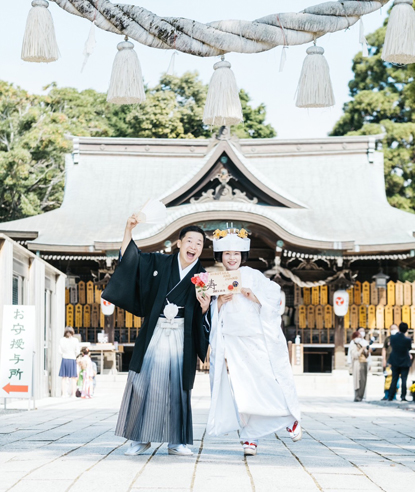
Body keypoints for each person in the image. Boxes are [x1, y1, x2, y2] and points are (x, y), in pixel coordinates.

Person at [102, 215, 210, 456]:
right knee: (142, 383)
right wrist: (128, 228)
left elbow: (205, 314)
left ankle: (177, 441)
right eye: (189, 241)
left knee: (178, 388)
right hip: (156, 333)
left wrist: (204, 308)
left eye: (199, 243)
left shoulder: (203, 278)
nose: (193, 246)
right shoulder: (159, 263)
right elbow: (132, 260)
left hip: (183, 337)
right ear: (179, 243)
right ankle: (140, 438)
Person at [207, 228, 302, 457]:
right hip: (233, 340)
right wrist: (219, 302)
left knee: (266, 381)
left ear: (242, 255)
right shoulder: (215, 279)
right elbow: (209, 312)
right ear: (220, 256)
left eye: (236, 253)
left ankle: (288, 417)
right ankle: (250, 436)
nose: (232, 258)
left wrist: (255, 297)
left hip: (255, 337)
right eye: (227, 253)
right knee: (242, 389)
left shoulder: (253, 275)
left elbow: (275, 295)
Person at [388, 322, 413, 402]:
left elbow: (391, 346)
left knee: (394, 378)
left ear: (398, 328)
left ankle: (391, 396)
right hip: (404, 360)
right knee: (404, 379)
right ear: (406, 330)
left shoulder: (393, 337)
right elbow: (409, 348)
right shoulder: (408, 340)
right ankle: (403, 396)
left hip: (395, 360)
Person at [58, 327, 80, 397]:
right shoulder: (75, 340)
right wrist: (75, 355)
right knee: (73, 378)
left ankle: (64, 394)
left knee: (64, 378)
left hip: (64, 358)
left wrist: (64, 354)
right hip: (72, 358)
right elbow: (77, 351)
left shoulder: (62, 340)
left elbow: (60, 350)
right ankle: (73, 394)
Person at [349, 331, 370, 402]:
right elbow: (355, 355)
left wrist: (368, 351)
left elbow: (366, 355)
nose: (360, 338)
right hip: (358, 363)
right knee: (358, 380)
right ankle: (357, 396)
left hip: (364, 362)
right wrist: (362, 349)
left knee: (364, 380)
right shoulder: (353, 345)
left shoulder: (360, 344)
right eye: (358, 337)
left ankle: (361, 395)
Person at [382, 324, 399, 401]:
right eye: (392, 329)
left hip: (397, 362)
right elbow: (384, 349)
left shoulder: (399, 339)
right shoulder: (388, 339)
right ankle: (386, 395)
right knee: (387, 379)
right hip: (388, 361)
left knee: (396, 379)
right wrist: (384, 360)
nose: (393, 330)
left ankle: (394, 395)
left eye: (395, 328)